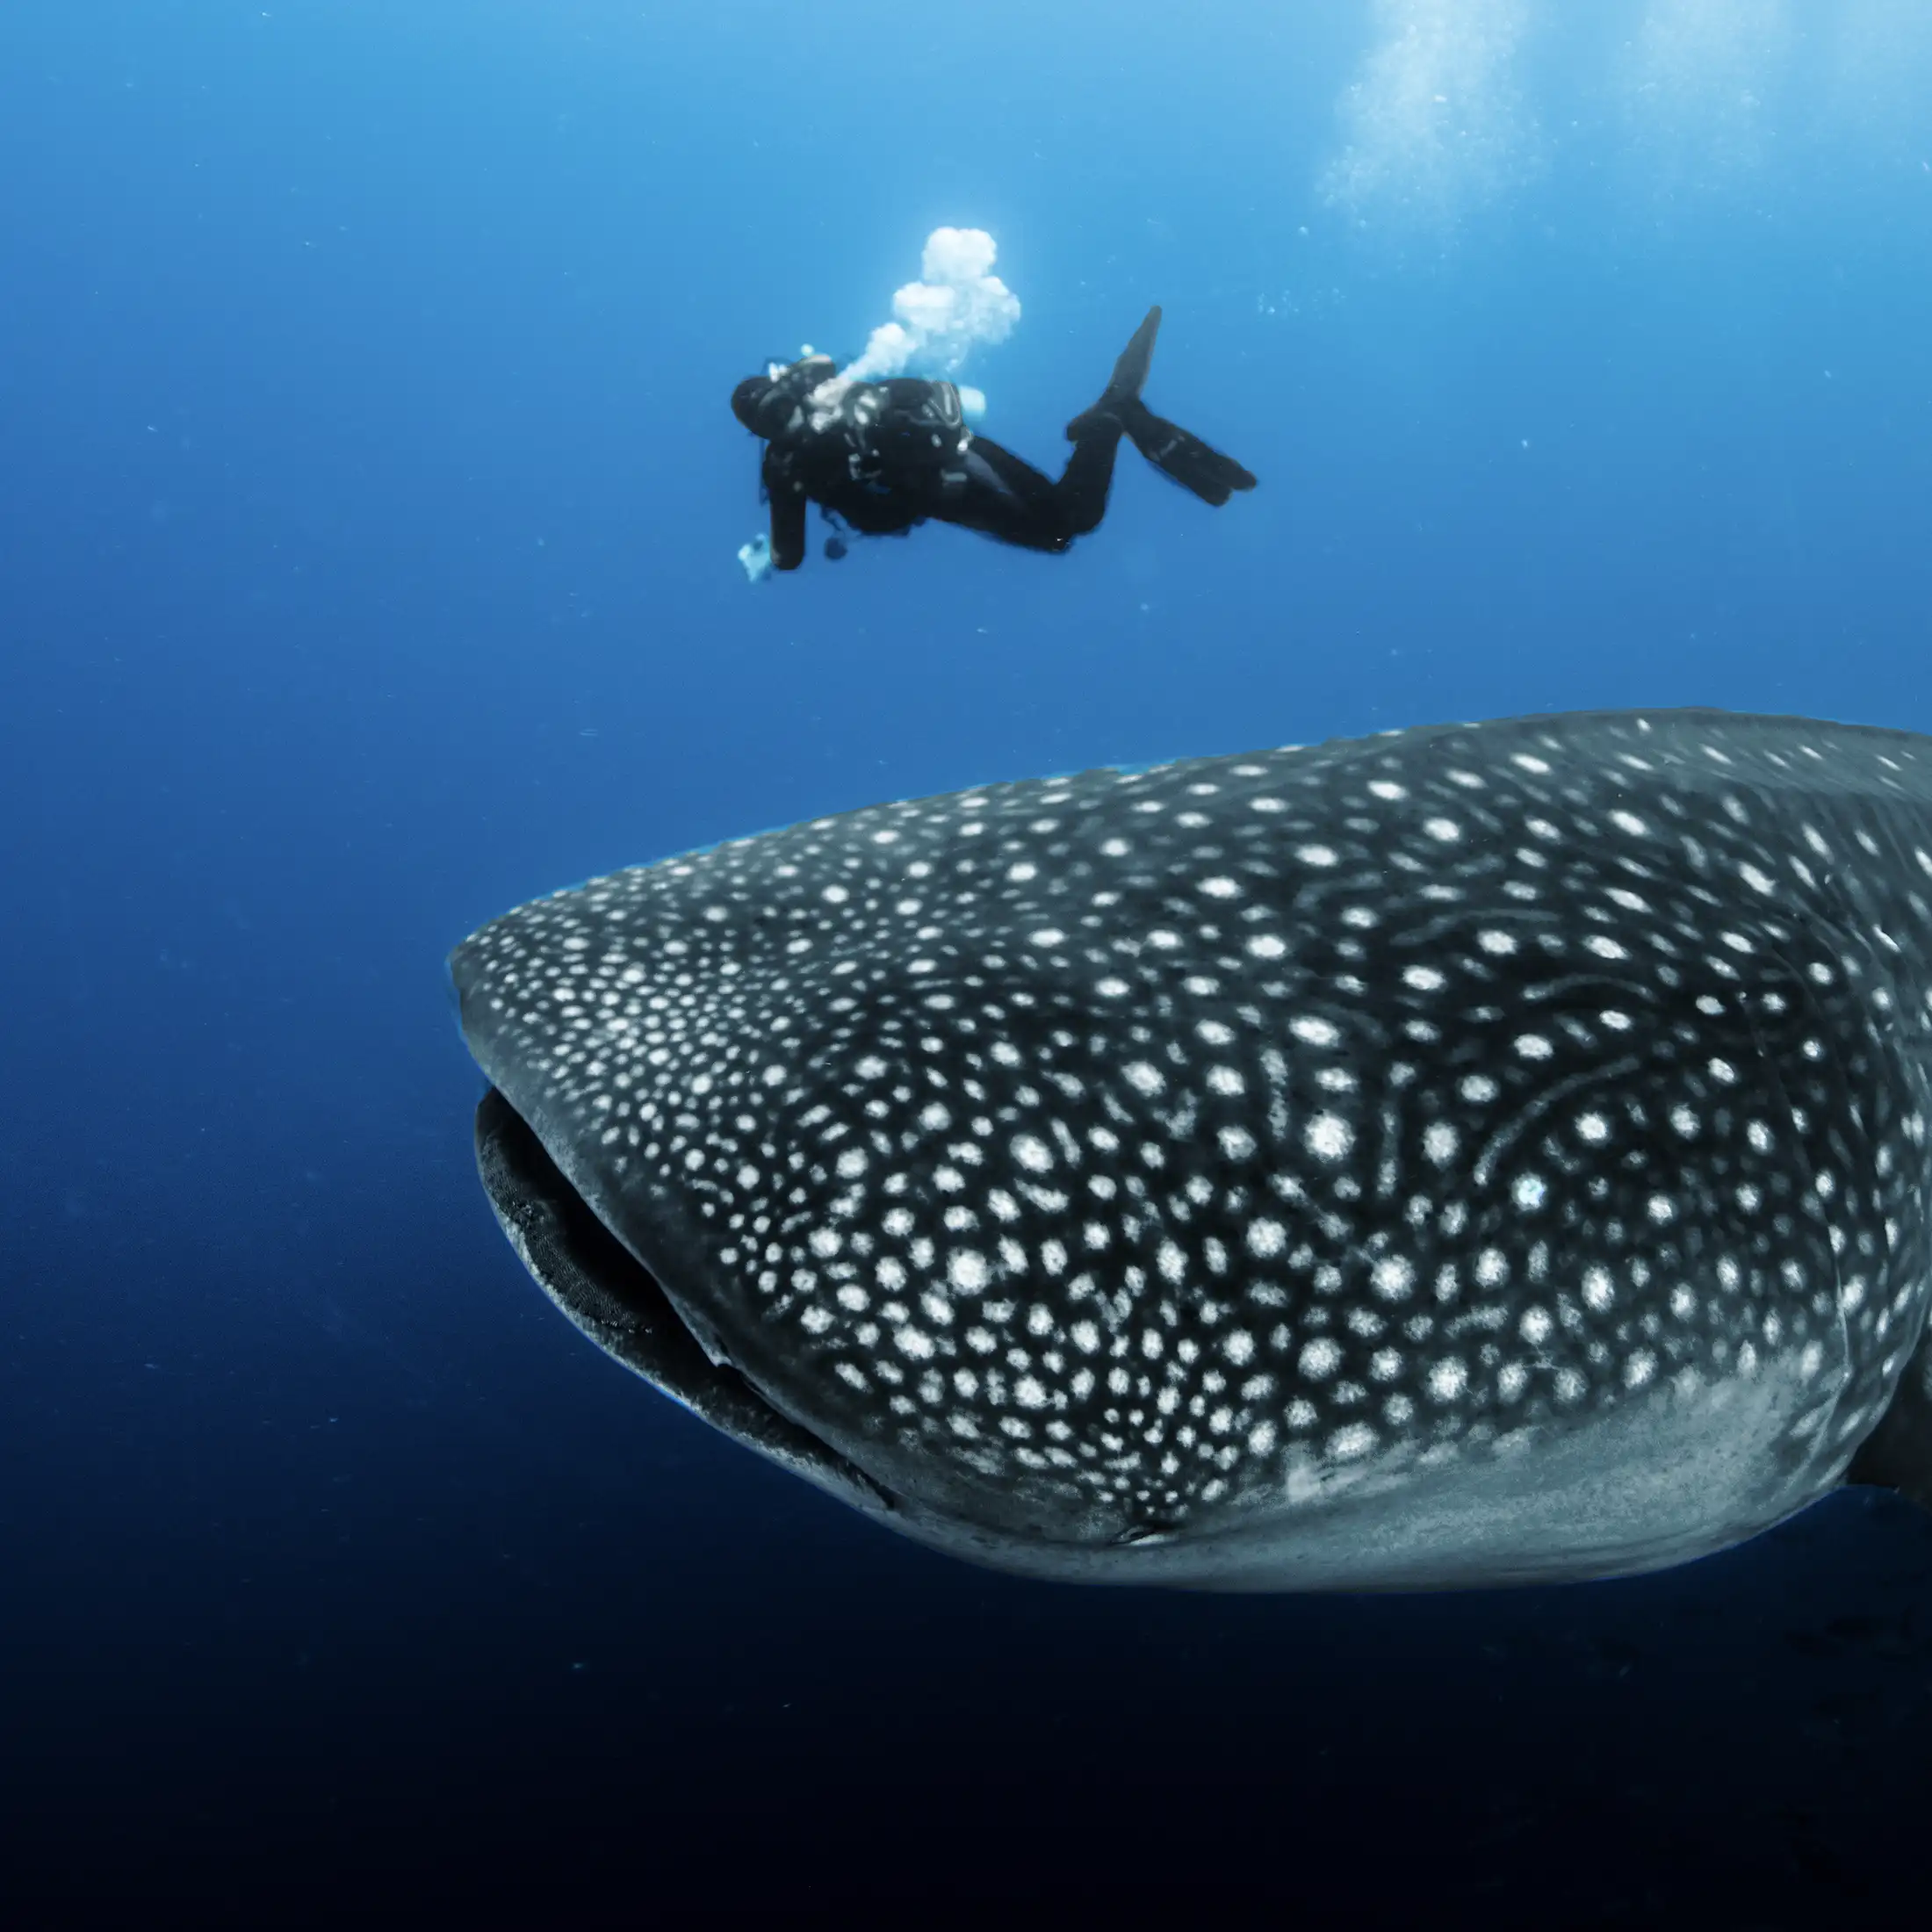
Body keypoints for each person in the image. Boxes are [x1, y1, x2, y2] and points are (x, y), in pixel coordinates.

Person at [729, 306, 1255, 572]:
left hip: (954, 469)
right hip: (950, 478)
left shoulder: (798, 445)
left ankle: (1110, 418)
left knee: (1067, 525)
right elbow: (792, 553)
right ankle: (1108, 419)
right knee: (1062, 529)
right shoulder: (794, 453)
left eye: (780, 411)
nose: (786, 423)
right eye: (774, 420)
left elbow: (790, 555)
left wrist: (768, 558)